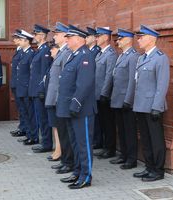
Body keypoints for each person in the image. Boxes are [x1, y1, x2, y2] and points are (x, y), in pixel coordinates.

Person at [57, 25, 96, 189]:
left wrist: (75, 104)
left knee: (83, 143)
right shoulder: (74, 55)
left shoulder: (86, 56)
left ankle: (86, 177)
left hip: (81, 109)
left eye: (69, 37)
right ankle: (77, 171)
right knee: (75, 143)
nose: (67, 40)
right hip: (71, 109)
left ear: (79, 39)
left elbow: (84, 85)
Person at [133, 25, 170, 182]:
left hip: (152, 107)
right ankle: (149, 167)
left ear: (151, 38)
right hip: (141, 105)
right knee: (146, 139)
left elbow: (162, 85)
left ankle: (158, 170)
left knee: (156, 140)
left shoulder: (160, 58)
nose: (139, 40)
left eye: (141, 37)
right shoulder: (142, 58)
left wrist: (156, 107)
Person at [110, 28, 139, 169]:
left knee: (129, 130)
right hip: (117, 99)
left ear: (128, 40)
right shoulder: (121, 56)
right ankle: (123, 155)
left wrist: (128, 100)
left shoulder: (133, 56)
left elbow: (132, 81)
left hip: (126, 101)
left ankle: (131, 159)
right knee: (121, 129)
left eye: (120, 39)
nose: (118, 42)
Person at [49, 22, 74, 174]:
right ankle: (66, 160)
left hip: (63, 99)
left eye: (57, 34)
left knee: (66, 132)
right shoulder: (62, 52)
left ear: (65, 37)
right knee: (63, 131)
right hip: (59, 99)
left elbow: (65, 79)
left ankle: (68, 161)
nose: (54, 36)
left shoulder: (66, 53)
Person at [94, 27, 118, 159]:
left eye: (98, 36)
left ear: (106, 37)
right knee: (102, 122)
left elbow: (109, 75)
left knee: (108, 123)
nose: (96, 38)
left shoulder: (111, 54)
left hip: (105, 96)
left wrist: (104, 93)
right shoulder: (99, 54)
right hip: (97, 94)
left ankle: (110, 149)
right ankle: (104, 146)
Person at [29, 24, 53, 153]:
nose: (34, 36)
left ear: (42, 36)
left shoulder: (45, 51)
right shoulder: (39, 50)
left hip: (40, 91)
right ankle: (44, 141)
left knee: (43, 118)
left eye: (35, 34)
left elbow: (45, 73)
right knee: (40, 117)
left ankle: (47, 143)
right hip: (35, 90)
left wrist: (42, 90)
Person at [13, 30, 37, 145]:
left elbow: (32, 74)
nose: (20, 41)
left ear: (27, 41)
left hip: (27, 89)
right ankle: (28, 134)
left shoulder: (31, 54)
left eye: (22, 40)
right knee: (25, 113)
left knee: (30, 113)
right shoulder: (22, 53)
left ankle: (33, 136)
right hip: (21, 88)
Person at [44, 40, 61, 161]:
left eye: (53, 48)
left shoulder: (61, 59)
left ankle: (59, 150)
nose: (50, 51)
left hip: (56, 99)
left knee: (58, 126)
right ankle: (57, 149)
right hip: (51, 98)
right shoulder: (54, 61)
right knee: (54, 126)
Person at [9, 29, 27, 137]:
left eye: (17, 38)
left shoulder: (22, 52)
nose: (15, 40)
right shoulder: (18, 50)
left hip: (20, 84)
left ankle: (23, 128)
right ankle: (22, 126)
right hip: (16, 83)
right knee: (20, 108)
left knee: (23, 109)